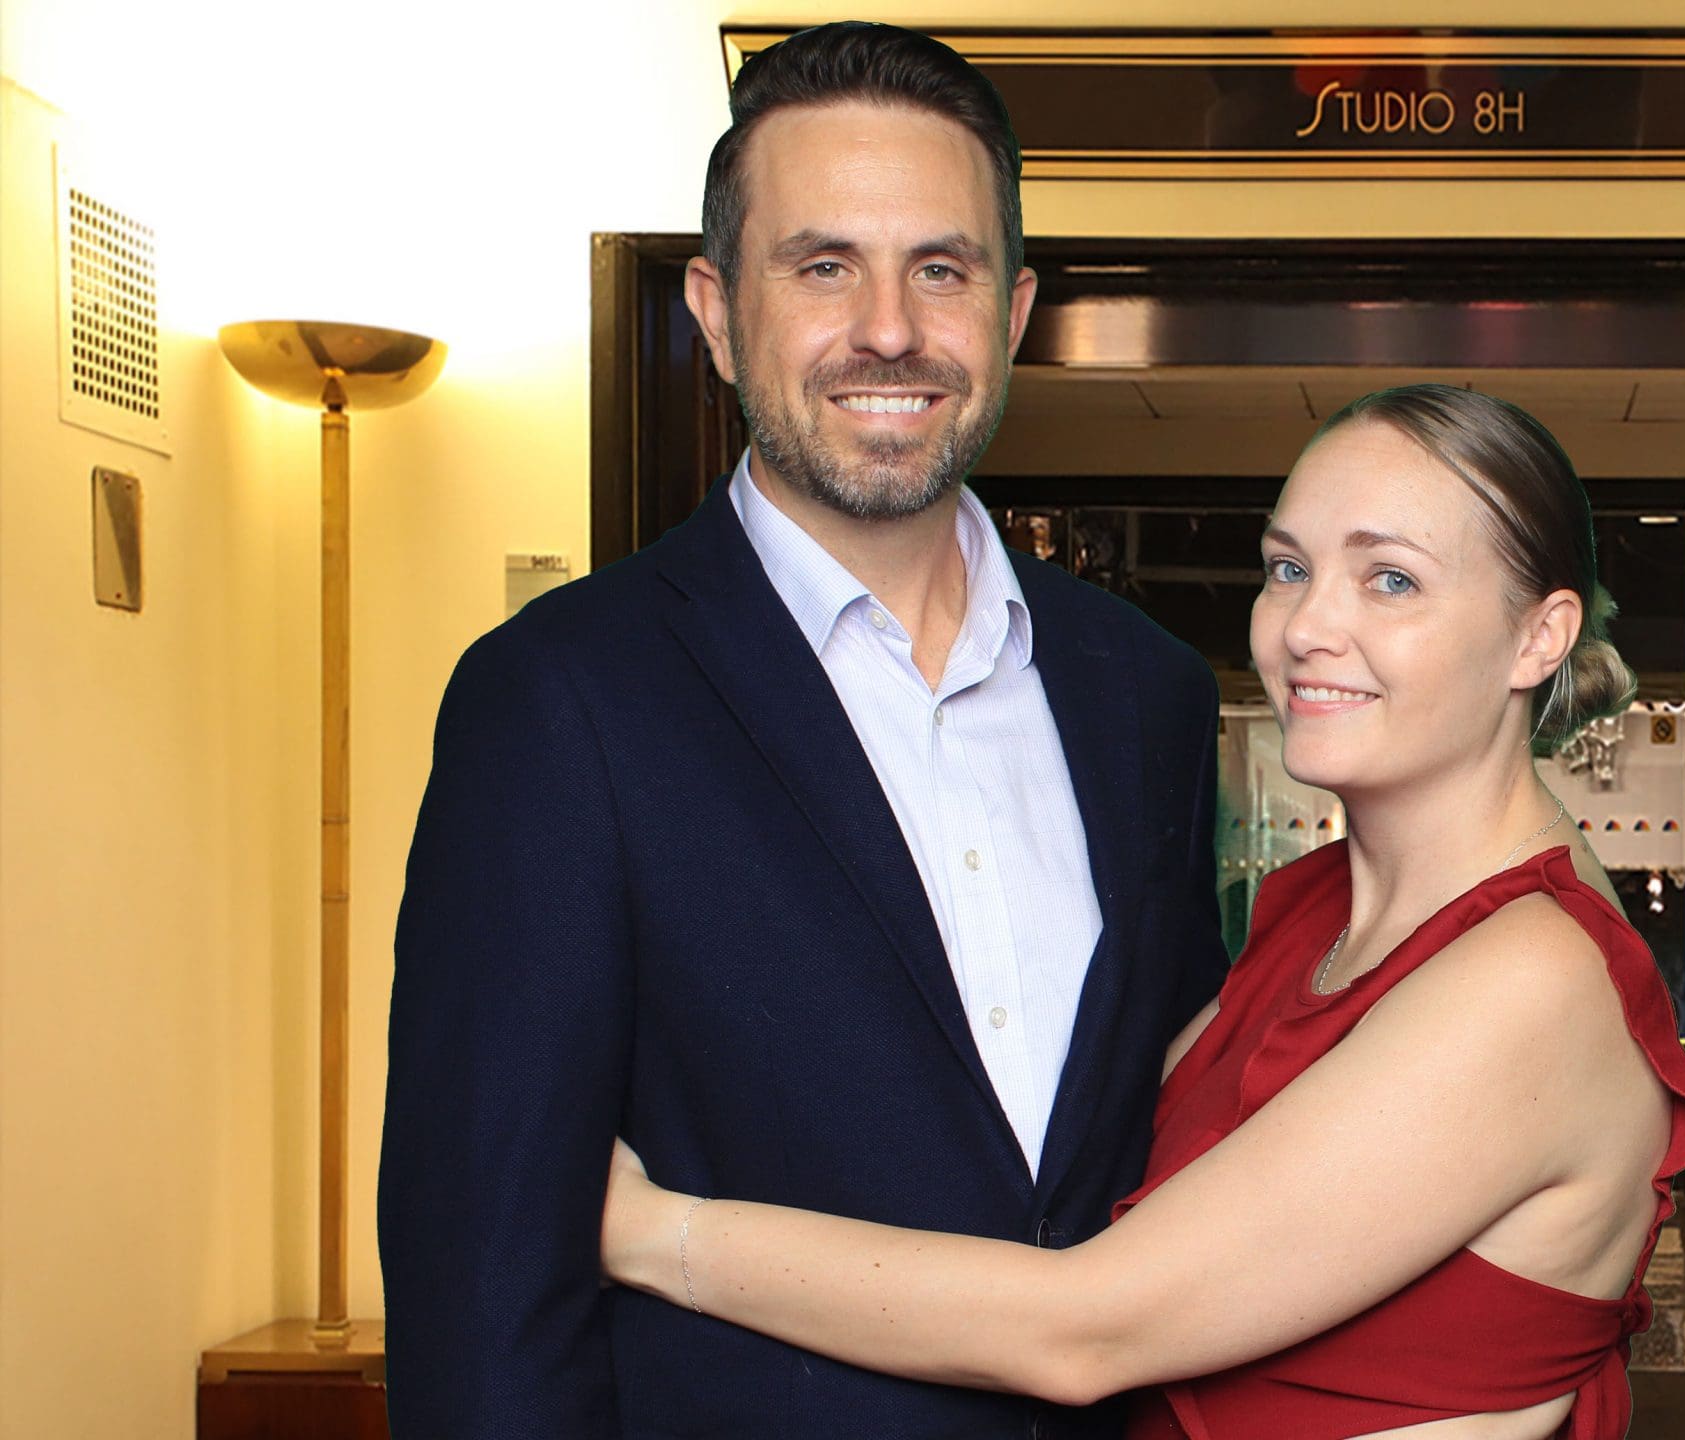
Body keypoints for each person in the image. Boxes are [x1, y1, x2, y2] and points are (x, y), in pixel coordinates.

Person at [377, 22, 1227, 1439]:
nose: (889, 328)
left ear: (1013, 312)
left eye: (941, 269)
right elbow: (486, 1281)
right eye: (823, 266)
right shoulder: (558, 701)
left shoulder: (1144, 693)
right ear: (716, 313)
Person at [600, 384, 1685, 1439]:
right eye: (1288, 569)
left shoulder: (1532, 977)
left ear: (1539, 636)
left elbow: (1083, 1327)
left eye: (1390, 580)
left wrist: (653, 1231)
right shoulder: (1317, 913)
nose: (1306, 627)